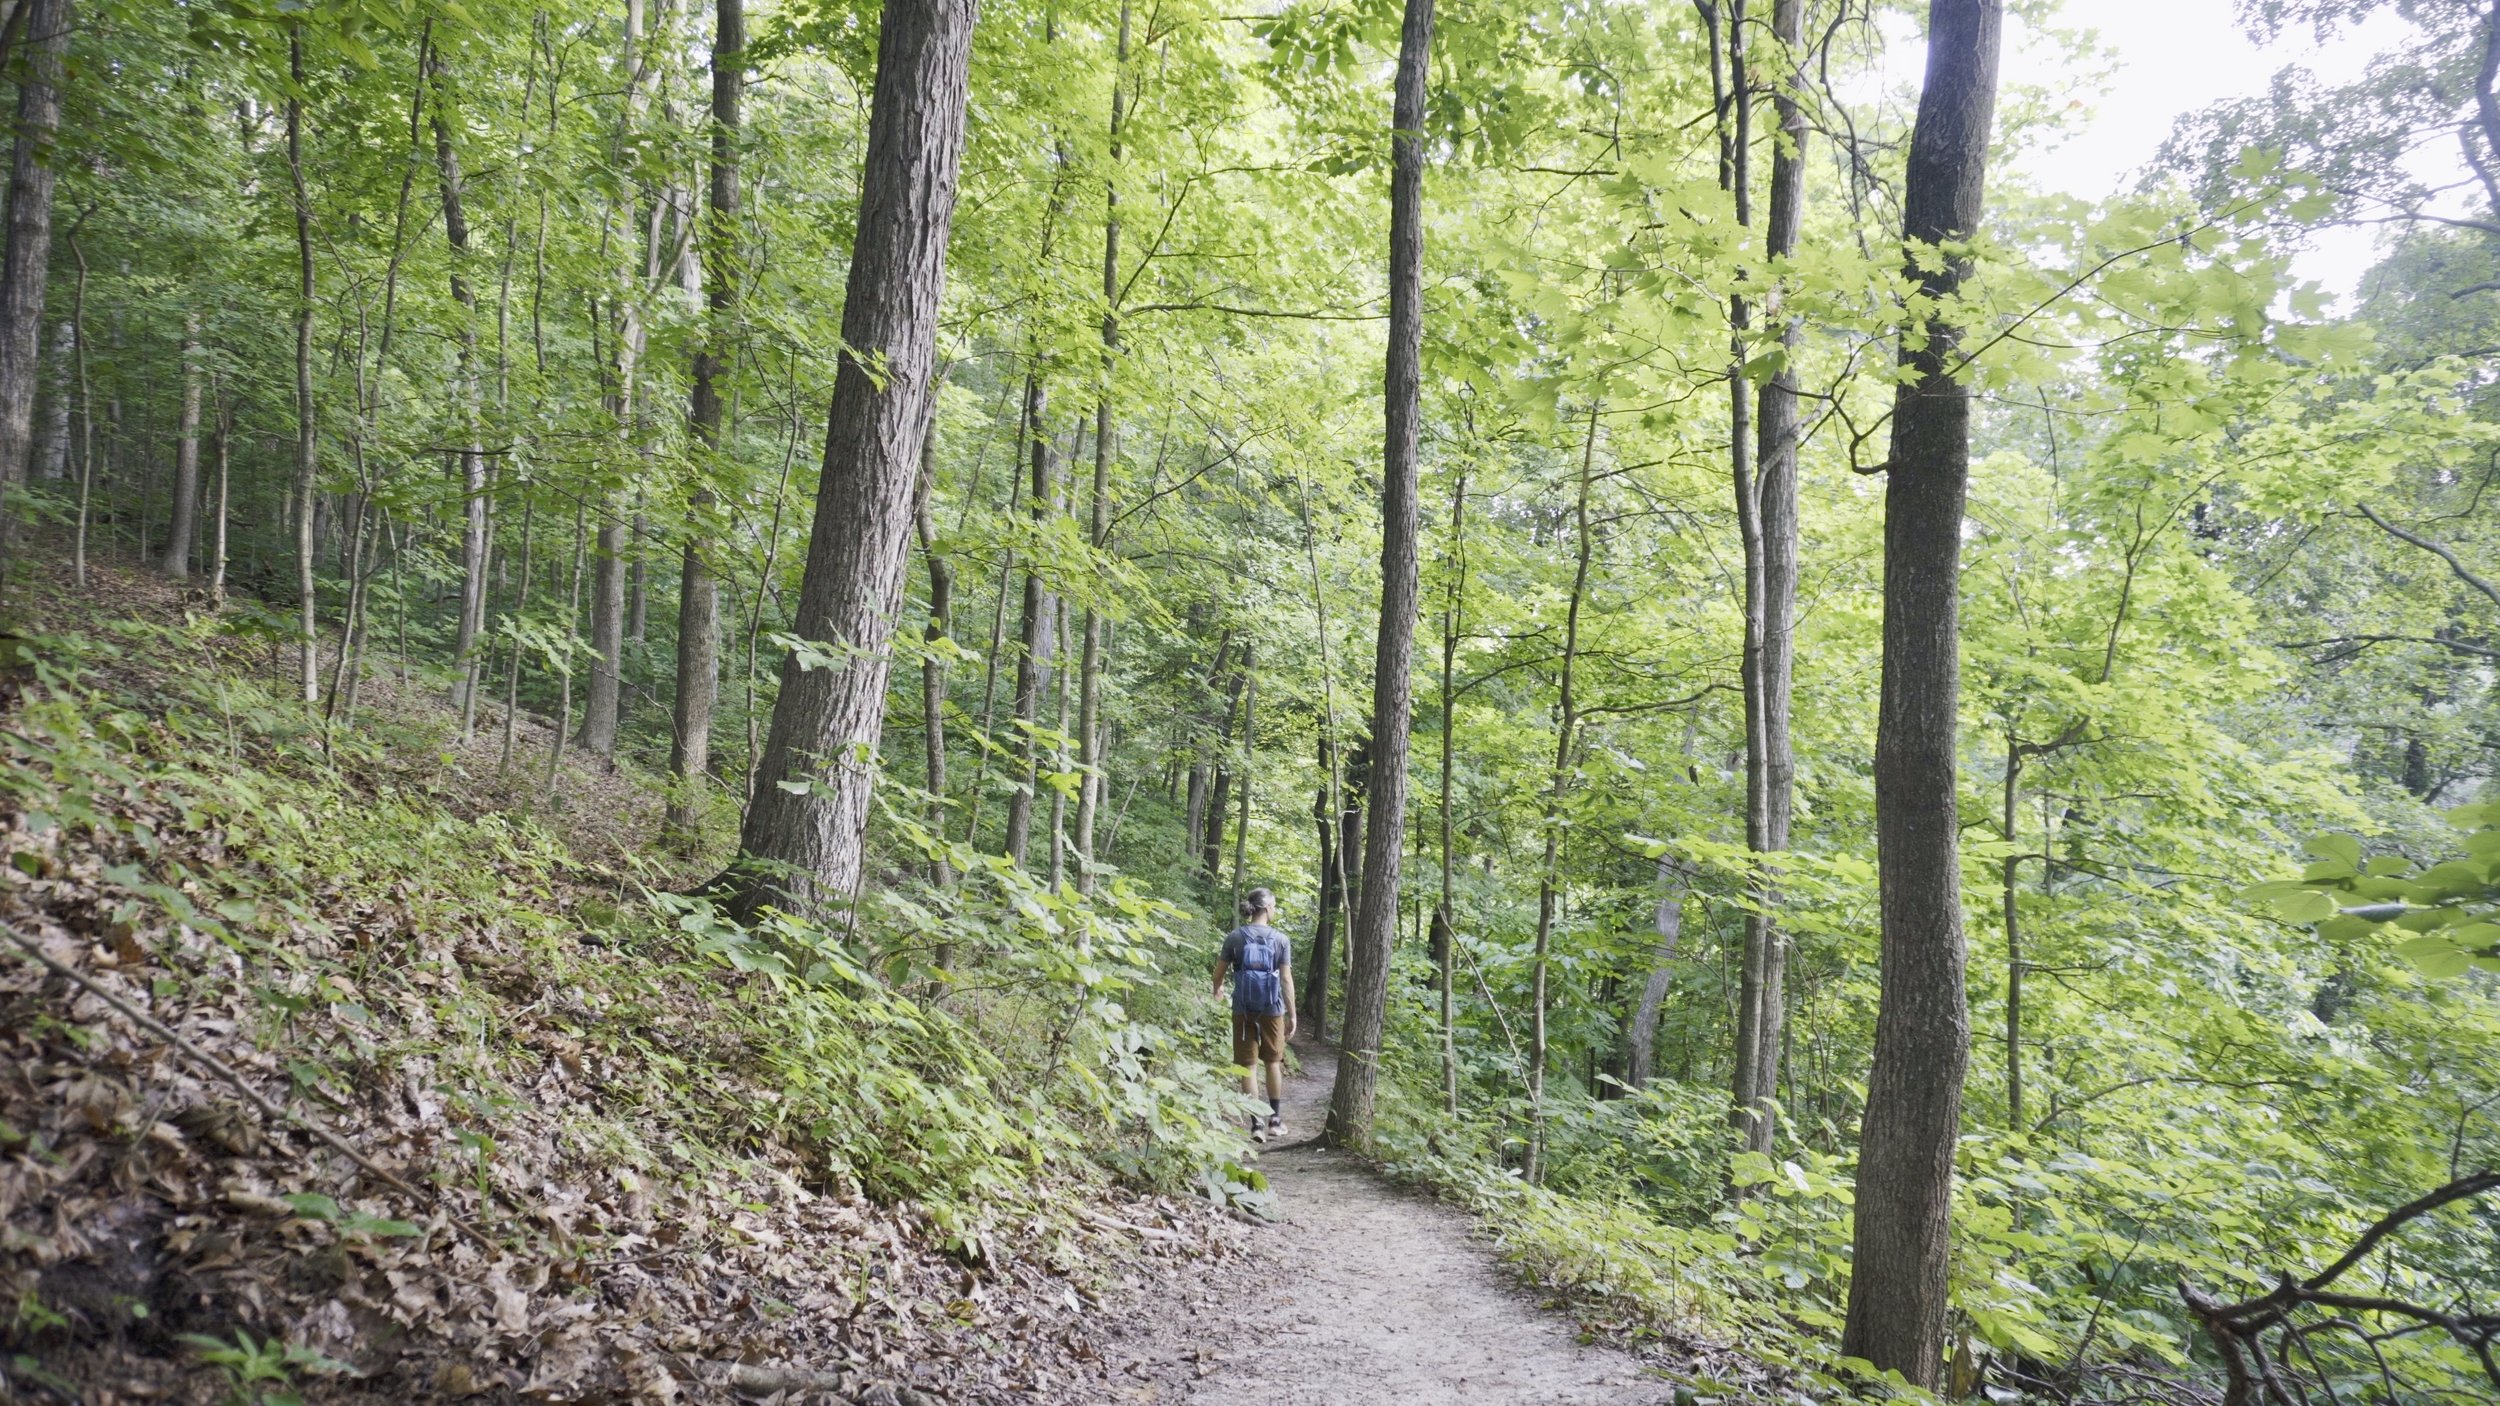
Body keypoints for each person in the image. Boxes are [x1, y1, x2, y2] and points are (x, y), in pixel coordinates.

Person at [1212, 887, 1298, 1142]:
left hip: (1242, 1008)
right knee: (1272, 1062)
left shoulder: (1235, 937)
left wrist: (1217, 989)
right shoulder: (1280, 939)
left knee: (1248, 1065)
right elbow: (1285, 979)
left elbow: (1219, 973)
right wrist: (1292, 1014)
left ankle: (1256, 1124)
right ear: (1268, 907)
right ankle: (1275, 1121)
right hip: (1272, 1009)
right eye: (1274, 906)